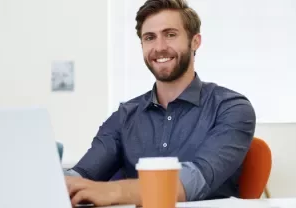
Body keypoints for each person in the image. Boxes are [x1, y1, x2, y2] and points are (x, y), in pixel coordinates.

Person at [64, 0, 256, 206]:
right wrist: (57, 180)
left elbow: (194, 181)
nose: (159, 47)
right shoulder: (125, 115)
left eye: (170, 34)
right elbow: (81, 175)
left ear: (195, 41)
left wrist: (113, 191)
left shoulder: (231, 108)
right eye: (149, 38)